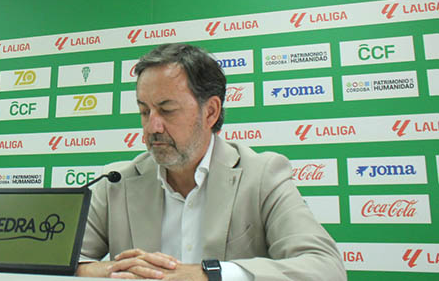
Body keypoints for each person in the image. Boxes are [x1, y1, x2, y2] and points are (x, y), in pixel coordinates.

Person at [76, 44, 346, 280]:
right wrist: (118, 270)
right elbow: (56, 263)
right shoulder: (116, 182)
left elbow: (325, 268)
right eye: (144, 111)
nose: (152, 127)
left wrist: (211, 274)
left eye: (167, 110)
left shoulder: (262, 175)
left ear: (211, 112)